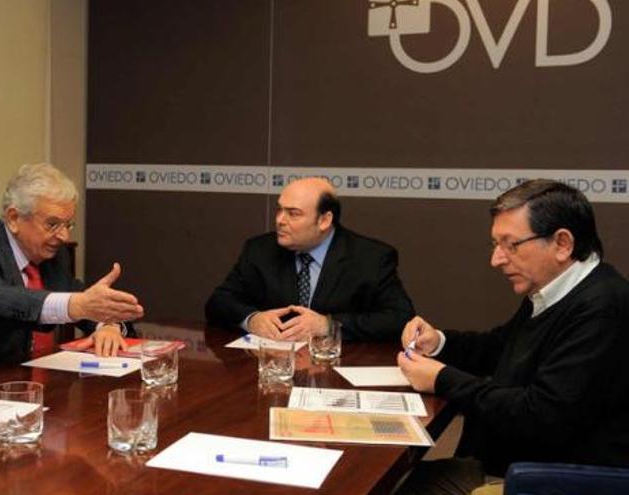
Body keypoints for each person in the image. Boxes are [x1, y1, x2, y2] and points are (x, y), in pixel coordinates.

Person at [396, 179, 629, 494]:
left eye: (511, 245)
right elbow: (500, 347)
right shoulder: (556, 288)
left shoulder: (603, 307)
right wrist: (438, 342)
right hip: (515, 463)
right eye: (495, 245)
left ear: (562, 243)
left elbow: (541, 415)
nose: (497, 260)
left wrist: (442, 379)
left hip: (551, 480)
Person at [0, 163, 144, 367]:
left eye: (68, 224)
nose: (64, 236)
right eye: (53, 224)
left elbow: (81, 300)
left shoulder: (52, 257)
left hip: (34, 390)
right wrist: (75, 306)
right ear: (13, 218)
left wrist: (107, 326)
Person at [205, 177, 414, 342]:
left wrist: (328, 326)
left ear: (324, 220)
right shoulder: (259, 250)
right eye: (279, 210)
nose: (280, 221)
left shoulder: (370, 258)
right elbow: (218, 302)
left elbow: (400, 319)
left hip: (337, 371)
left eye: (293, 214)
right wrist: (252, 320)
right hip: (274, 368)